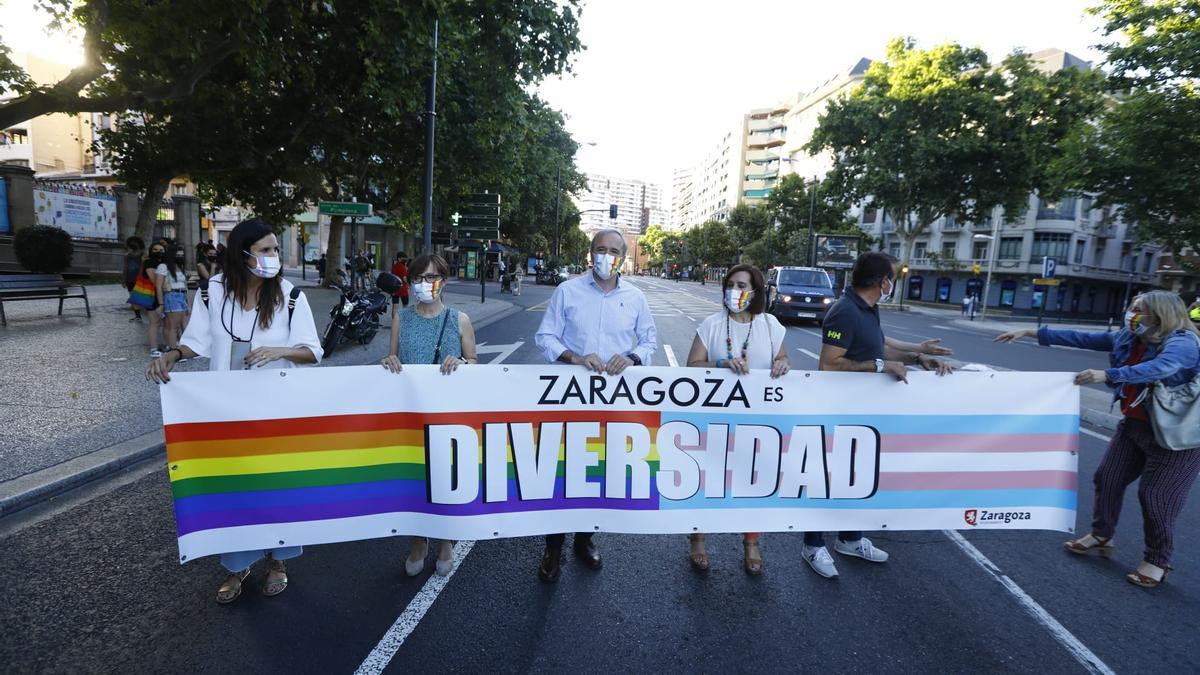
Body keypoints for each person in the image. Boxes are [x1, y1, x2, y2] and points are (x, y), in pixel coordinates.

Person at [146, 218, 323, 604]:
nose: (273, 257)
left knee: (276, 490)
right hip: (227, 416)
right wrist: (172, 355)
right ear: (242, 254)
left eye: (275, 249)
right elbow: (198, 342)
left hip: (277, 413)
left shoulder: (291, 296)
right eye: (265, 250)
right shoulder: (213, 293)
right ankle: (237, 565)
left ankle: (279, 561)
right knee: (234, 492)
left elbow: (313, 351)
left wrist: (280, 350)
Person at [996, 291, 1200, 588]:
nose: (1131, 313)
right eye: (1131, 307)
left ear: (1161, 315)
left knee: (1156, 498)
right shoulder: (1129, 337)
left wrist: (1108, 374)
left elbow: (1162, 367)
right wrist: (1029, 331)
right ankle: (1102, 535)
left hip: (1176, 436)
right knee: (1107, 478)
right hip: (1134, 425)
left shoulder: (1182, 341)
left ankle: (1158, 560)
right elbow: (1082, 338)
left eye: (1139, 309)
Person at [804, 252, 954, 579]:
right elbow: (829, 364)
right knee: (829, 479)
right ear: (882, 281)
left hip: (864, 413)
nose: (892, 285)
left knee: (858, 479)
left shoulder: (867, 308)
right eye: (892, 279)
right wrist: (884, 366)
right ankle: (813, 545)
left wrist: (918, 354)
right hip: (837, 411)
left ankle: (850, 538)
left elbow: (879, 346)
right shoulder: (844, 311)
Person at [533, 228, 658, 582]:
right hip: (568, 400)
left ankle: (585, 539)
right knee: (562, 473)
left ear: (624, 256)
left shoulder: (635, 298)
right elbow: (544, 337)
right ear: (591, 254)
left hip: (614, 405)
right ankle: (553, 547)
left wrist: (633, 357)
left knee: (597, 472)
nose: (606, 255)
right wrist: (572, 357)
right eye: (600, 249)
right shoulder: (567, 291)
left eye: (614, 250)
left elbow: (649, 340)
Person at [685, 264, 790, 575]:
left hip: (756, 421)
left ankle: (751, 542)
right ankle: (698, 537)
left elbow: (782, 358)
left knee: (752, 480)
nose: (734, 290)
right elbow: (692, 365)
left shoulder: (770, 325)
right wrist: (721, 363)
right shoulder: (712, 325)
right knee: (709, 479)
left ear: (755, 291)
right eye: (730, 284)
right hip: (715, 419)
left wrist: (783, 363)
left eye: (742, 284)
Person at [381, 253, 478, 577]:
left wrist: (463, 364)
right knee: (416, 481)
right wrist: (388, 362)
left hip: (448, 416)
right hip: (411, 416)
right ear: (410, 283)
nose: (426, 284)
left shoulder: (458, 319)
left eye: (433, 277)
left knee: (445, 478)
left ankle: (445, 540)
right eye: (419, 278)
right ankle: (419, 539)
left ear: (445, 281)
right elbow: (393, 358)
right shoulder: (402, 318)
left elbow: (475, 363)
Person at [156, 246, 190, 351]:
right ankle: (173, 350)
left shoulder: (180, 267)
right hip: (171, 296)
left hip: (182, 296)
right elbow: (158, 286)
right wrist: (161, 304)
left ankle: (179, 348)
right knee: (173, 326)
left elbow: (185, 286)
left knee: (180, 325)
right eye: (177, 255)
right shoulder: (163, 266)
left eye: (181, 255)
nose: (180, 257)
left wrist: (188, 303)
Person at [142, 242, 167, 357]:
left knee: (161, 322)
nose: (158, 252)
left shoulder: (162, 262)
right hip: (151, 296)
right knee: (154, 323)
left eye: (161, 250)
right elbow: (154, 281)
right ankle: (153, 348)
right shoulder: (149, 262)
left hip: (160, 295)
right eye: (155, 249)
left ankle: (164, 345)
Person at [123, 237, 145, 322]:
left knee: (143, 297)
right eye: (131, 243)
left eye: (135, 242)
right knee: (133, 298)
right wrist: (124, 280)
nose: (133, 244)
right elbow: (125, 268)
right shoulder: (127, 255)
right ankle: (138, 316)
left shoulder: (143, 254)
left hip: (141, 279)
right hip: (130, 279)